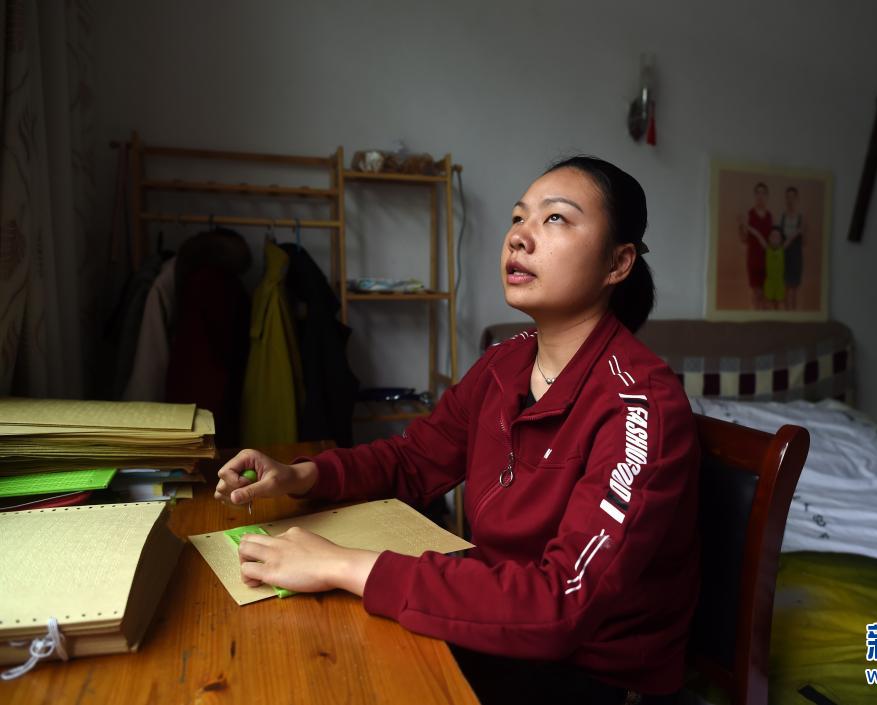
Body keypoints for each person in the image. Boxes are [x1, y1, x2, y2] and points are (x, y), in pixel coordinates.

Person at [214, 156, 700, 704]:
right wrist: (302, 476)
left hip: (589, 672)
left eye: (555, 218)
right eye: (518, 218)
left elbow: (562, 604)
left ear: (618, 262)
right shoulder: (505, 362)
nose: (519, 237)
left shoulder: (641, 404)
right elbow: (414, 460)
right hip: (498, 622)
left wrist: (341, 564)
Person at [736, 181, 773, 310]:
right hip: (753, 260)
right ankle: (755, 317)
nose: (760, 196)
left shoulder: (770, 216)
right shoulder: (749, 215)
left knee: (767, 295)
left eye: (763, 193)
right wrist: (741, 226)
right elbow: (743, 239)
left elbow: (773, 241)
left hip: (768, 260)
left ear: (767, 196)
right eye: (758, 193)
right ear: (754, 195)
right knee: (756, 293)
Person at [778, 186, 805, 310]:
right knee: (784, 288)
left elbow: (804, 242)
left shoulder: (801, 218)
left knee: (794, 290)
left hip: (796, 257)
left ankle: (793, 315)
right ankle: (786, 314)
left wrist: (802, 232)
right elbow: (779, 240)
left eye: (792, 197)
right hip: (784, 257)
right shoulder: (782, 217)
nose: (790, 200)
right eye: (788, 197)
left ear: (797, 199)